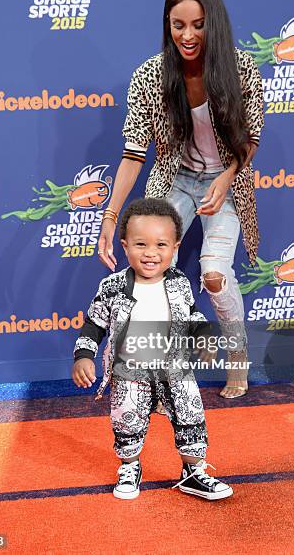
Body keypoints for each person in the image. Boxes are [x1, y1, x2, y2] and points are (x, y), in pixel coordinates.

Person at [98, 0, 264, 399]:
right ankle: (146, 368)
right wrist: (111, 215)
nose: (187, 36)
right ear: (167, 24)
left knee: (212, 274)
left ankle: (238, 355)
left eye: (198, 25)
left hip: (226, 183)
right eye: (178, 25)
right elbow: (134, 154)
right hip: (175, 182)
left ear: (215, 24)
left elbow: (251, 140)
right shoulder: (150, 76)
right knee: (148, 269)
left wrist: (227, 178)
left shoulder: (241, 68)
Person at [72, 198, 233, 501]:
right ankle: (130, 466)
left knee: (190, 414)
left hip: (176, 369)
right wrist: (83, 356)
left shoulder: (179, 283)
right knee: (126, 417)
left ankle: (193, 472)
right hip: (129, 371)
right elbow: (94, 324)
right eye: (140, 244)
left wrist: (203, 334)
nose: (150, 253)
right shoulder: (112, 287)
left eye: (161, 245)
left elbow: (191, 313)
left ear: (175, 248)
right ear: (124, 245)